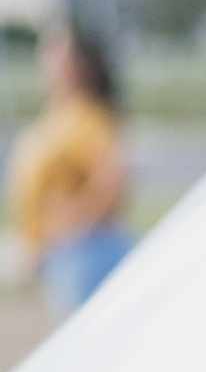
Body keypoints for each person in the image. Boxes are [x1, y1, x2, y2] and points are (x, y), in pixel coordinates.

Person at [6, 23, 132, 319]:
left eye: (55, 52)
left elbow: (113, 179)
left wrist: (70, 224)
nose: (45, 60)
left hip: (85, 253)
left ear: (79, 65)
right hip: (61, 256)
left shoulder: (88, 117)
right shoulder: (55, 116)